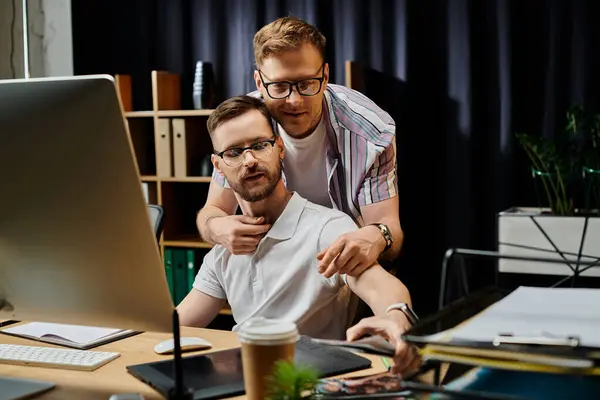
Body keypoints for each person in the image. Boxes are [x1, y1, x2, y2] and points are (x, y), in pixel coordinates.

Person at [178, 96, 419, 375]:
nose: (250, 160)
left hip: (310, 383)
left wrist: (396, 316)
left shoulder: (328, 228)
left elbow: (380, 287)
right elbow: (176, 325)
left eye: (260, 145)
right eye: (233, 152)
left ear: (279, 148)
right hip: (245, 381)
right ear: (218, 167)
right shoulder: (226, 244)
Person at [196, 16, 403, 278]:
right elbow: (212, 212)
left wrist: (377, 236)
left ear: (325, 76)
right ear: (260, 83)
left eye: (306, 84)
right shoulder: (241, 126)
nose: (294, 101)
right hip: (275, 270)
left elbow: (389, 229)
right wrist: (216, 228)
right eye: (280, 86)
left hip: (347, 273)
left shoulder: (372, 133)